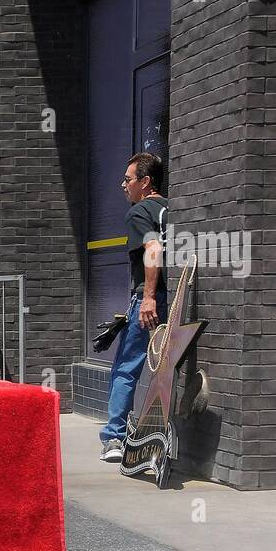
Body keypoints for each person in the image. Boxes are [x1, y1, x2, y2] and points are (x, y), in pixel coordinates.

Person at [100, 152, 169, 463]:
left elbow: (153, 248)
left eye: (128, 180)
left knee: (126, 370)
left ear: (145, 182)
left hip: (150, 300)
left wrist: (149, 297)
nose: (124, 186)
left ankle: (114, 437)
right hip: (177, 298)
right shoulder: (172, 208)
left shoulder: (140, 211)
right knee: (163, 371)